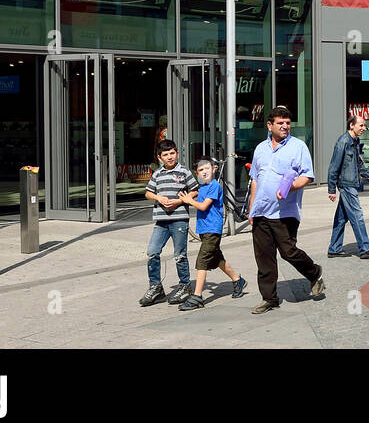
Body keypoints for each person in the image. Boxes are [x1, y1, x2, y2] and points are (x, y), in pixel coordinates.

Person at [248, 106, 325, 313]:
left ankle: (314, 272)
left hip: (285, 212)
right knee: (264, 257)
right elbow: (255, 179)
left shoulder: (298, 147)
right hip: (261, 211)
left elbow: (307, 176)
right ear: (270, 125)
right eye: (280, 123)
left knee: (289, 252)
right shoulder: (260, 149)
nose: (285, 126)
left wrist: (290, 186)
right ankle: (269, 298)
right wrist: (251, 207)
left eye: (288, 123)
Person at [177, 157, 247, 310]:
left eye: (207, 169)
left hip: (213, 230)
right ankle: (237, 280)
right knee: (217, 259)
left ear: (214, 170)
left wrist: (189, 200)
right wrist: (188, 196)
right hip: (203, 230)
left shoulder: (214, 186)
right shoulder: (202, 187)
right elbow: (193, 195)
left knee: (202, 261)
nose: (204, 172)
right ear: (197, 173)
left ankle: (197, 296)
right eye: (201, 170)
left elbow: (203, 206)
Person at [139, 139, 200, 307]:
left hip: (179, 219)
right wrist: (158, 197)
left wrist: (179, 202)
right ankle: (156, 287)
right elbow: (148, 193)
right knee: (152, 251)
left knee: (179, 255)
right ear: (160, 157)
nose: (170, 157)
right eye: (165, 155)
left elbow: (194, 190)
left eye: (172, 153)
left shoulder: (184, 172)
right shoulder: (157, 174)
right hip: (161, 221)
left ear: (177, 154)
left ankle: (185, 286)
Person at [327, 113, 369, 259]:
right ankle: (365, 248)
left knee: (341, 218)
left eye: (364, 125)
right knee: (357, 215)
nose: (364, 128)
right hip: (346, 185)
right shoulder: (343, 142)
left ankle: (334, 248)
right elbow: (333, 167)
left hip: (350, 183)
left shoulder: (354, 141)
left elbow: (359, 165)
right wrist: (331, 189)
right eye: (361, 125)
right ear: (352, 125)